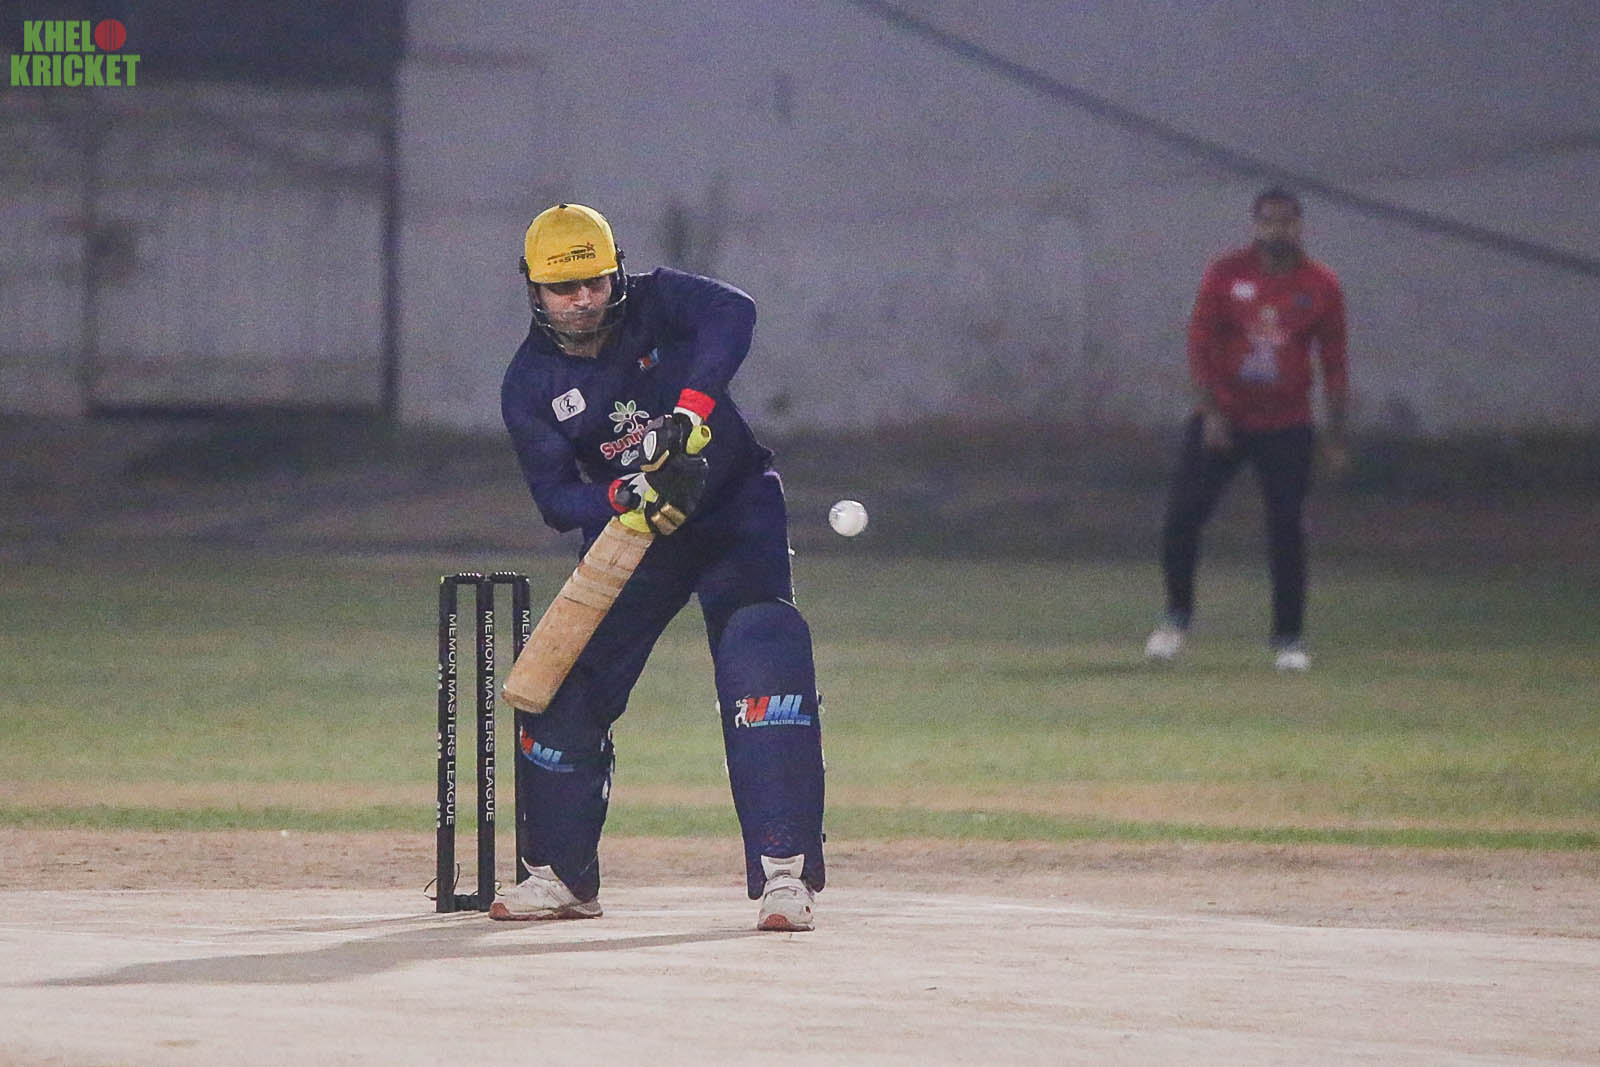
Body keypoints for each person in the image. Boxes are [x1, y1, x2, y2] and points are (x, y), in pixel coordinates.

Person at [494, 203, 825, 931]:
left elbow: (735, 312)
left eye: (595, 281)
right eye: (563, 287)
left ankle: (784, 874)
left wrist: (690, 414)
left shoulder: (659, 300)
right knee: (566, 684)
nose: (583, 299)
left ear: (616, 272)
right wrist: (625, 494)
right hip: (635, 534)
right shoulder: (529, 382)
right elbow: (555, 499)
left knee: (762, 653)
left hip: (734, 510)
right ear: (535, 289)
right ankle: (562, 877)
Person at [1145, 187, 1349, 671]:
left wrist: (1336, 436)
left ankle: (1288, 639)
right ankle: (1175, 620)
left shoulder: (1321, 284)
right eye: (1268, 221)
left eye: (1287, 221)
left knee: (1286, 527)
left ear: (1300, 226)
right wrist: (1211, 412)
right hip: (1227, 418)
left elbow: (1335, 363)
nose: (1278, 230)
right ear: (1255, 226)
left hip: (1287, 423)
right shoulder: (1226, 272)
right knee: (1182, 517)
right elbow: (1199, 343)